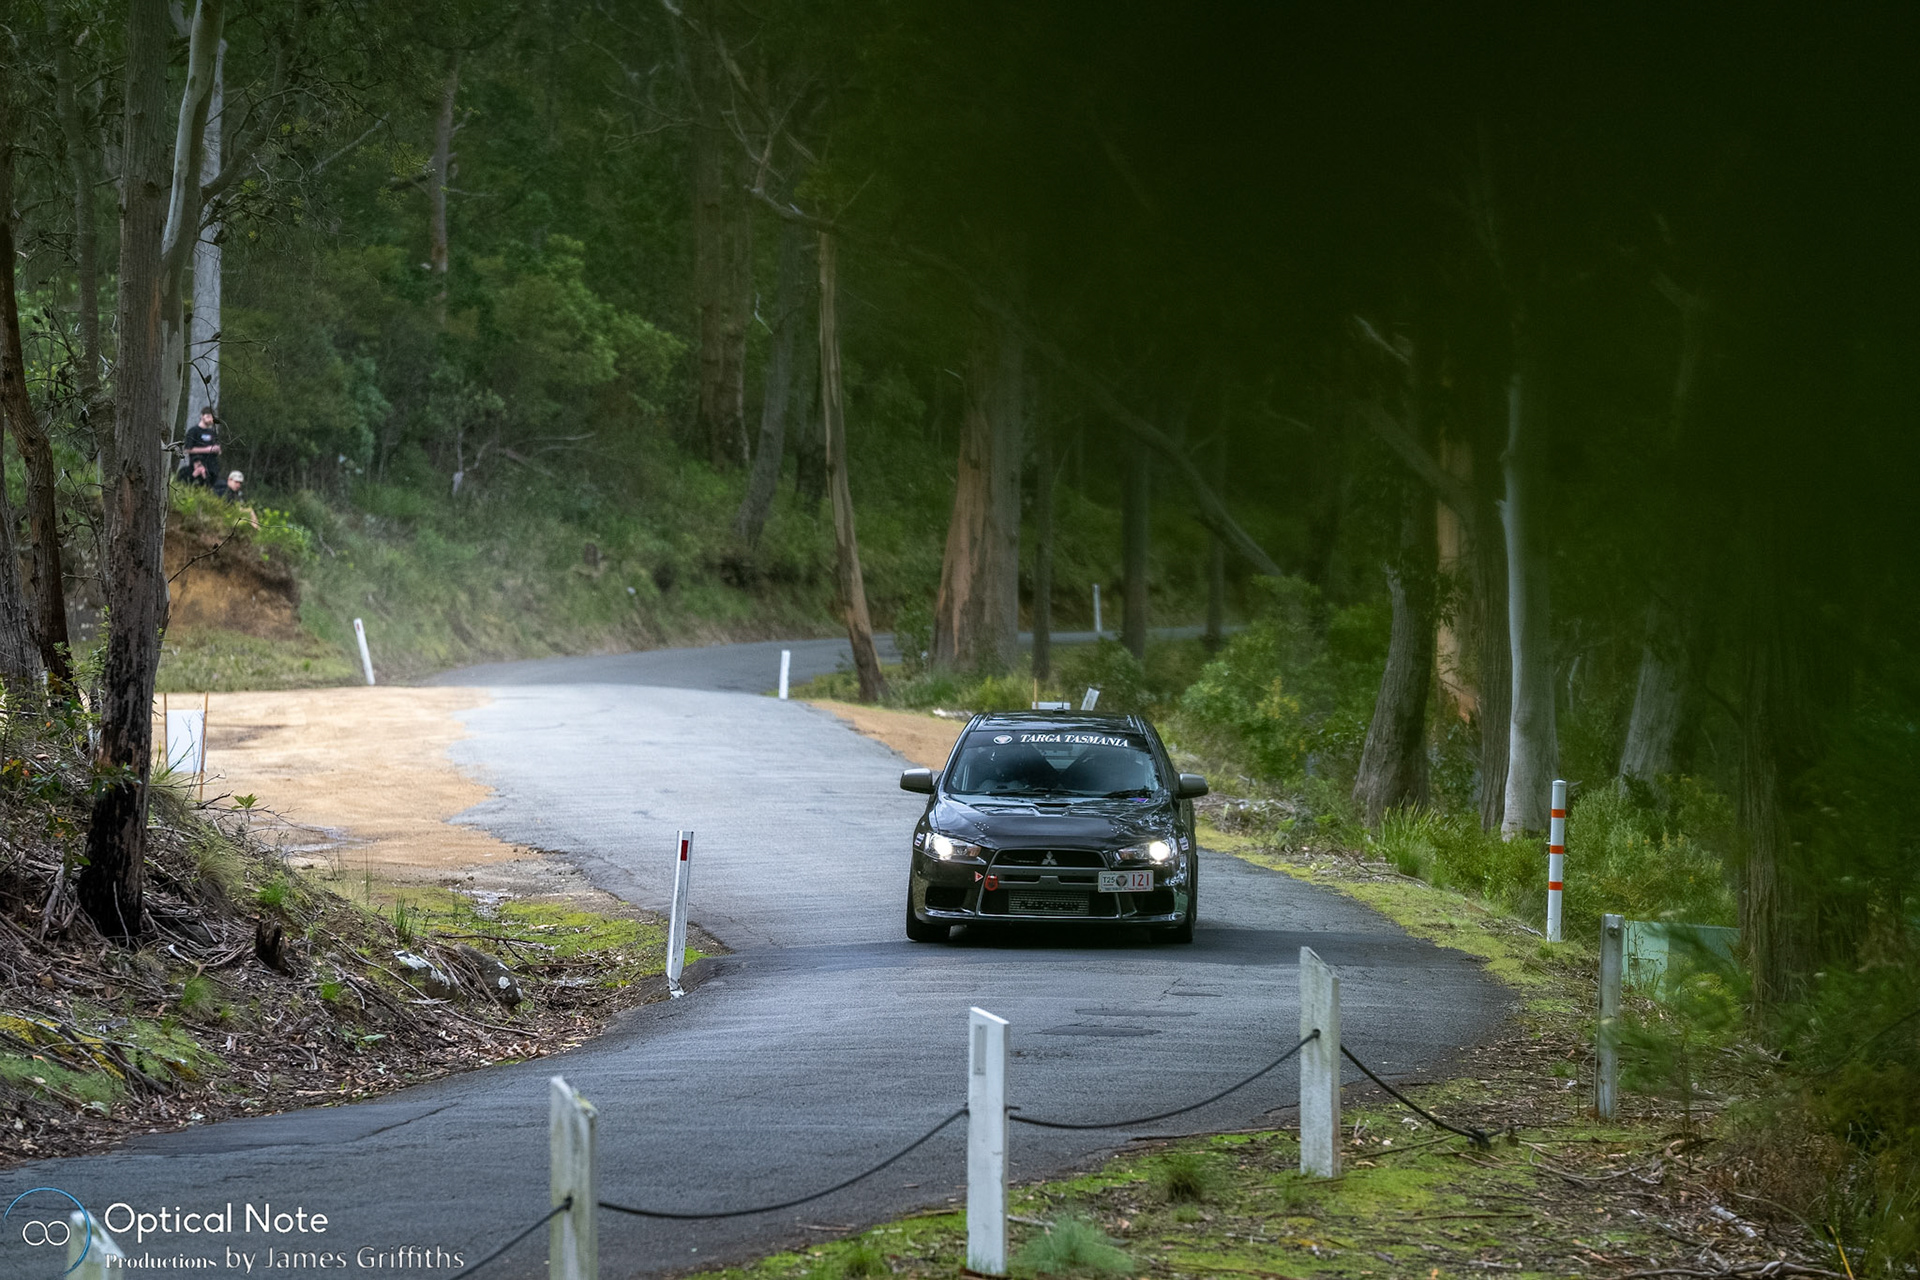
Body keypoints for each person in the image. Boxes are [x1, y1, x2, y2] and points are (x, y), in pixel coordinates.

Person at [180, 406, 222, 487]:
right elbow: (187, 449)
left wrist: (217, 449)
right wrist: (207, 449)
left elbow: (218, 449)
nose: (210, 419)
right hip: (198, 464)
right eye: (208, 416)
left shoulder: (212, 432)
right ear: (202, 416)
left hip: (212, 466)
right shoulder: (193, 431)